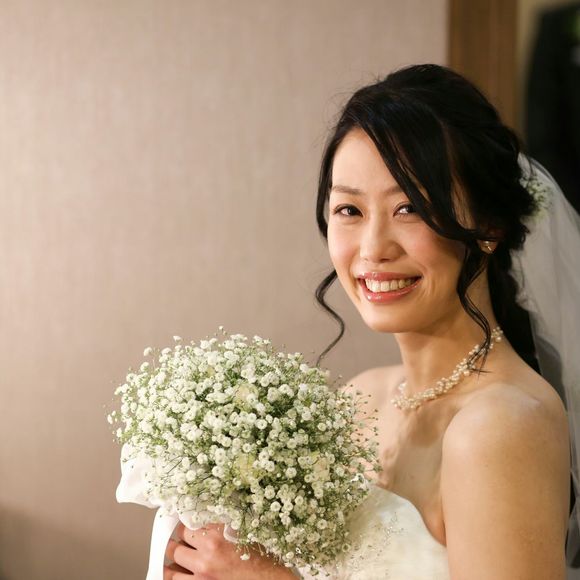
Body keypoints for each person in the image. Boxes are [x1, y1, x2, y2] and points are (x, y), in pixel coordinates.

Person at [162, 64, 574, 579]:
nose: (373, 249)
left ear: (487, 225)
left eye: (410, 208)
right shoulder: (361, 400)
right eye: (350, 211)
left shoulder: (499, 426)